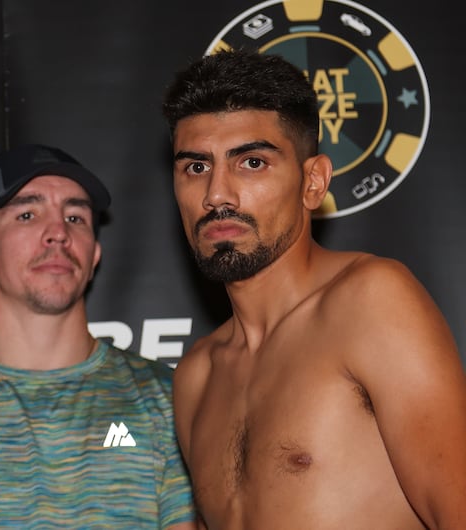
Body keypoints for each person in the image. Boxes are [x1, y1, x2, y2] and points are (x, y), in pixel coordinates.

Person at [161, 48, 466, 529]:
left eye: (252, 163)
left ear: (313, 181)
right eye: (196, 167)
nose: (216, 194)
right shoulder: (196, 376)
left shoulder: (370, 302)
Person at [0, 143, 197, 529]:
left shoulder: (167, 399)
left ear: (94, 254)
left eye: (76, 217)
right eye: (28, 214)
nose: (58, 233)